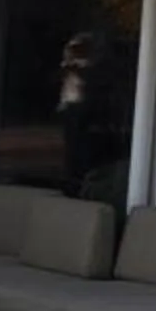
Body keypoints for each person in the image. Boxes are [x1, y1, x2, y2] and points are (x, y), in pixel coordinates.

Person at [57, 32, 95, 196]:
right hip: (70, 105)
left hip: (78, 107)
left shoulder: (83, 66)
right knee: (70, 147)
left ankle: (76, 180)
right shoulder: (70, 65)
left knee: (76, 147)